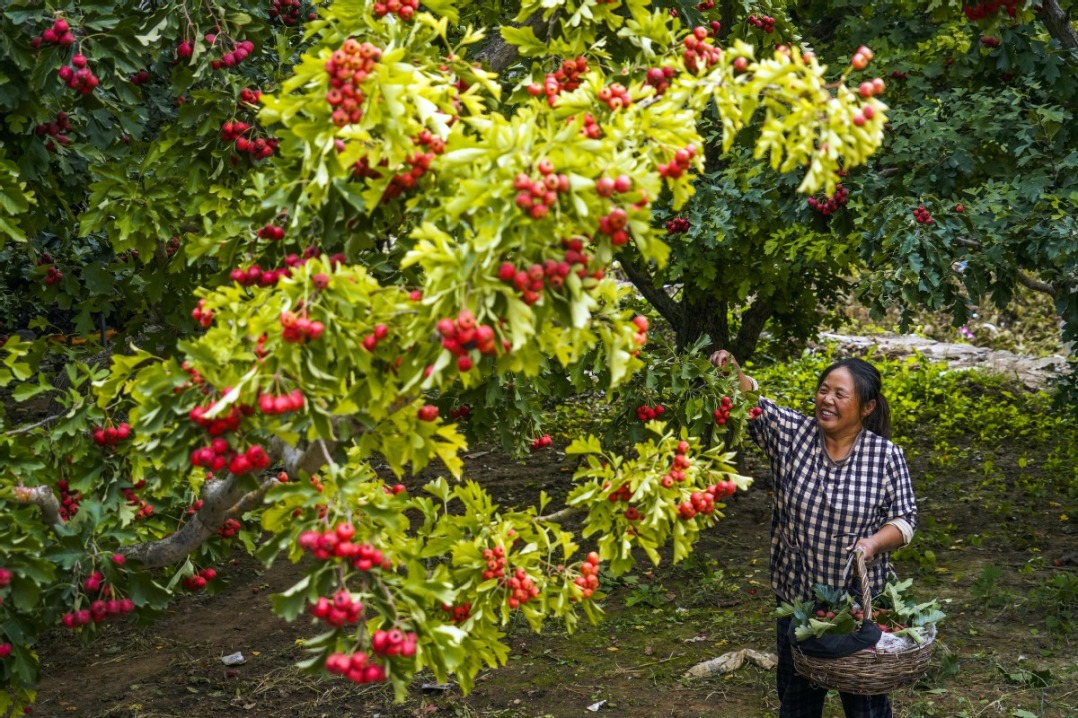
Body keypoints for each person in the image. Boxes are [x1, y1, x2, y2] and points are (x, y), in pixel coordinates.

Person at [709, 351, 917, 718]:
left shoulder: (885, 456)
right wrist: (732, 370)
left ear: (866, 407)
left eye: (840, 394)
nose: (827, 400)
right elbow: (752, 403)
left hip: (857, 608)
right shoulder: (793, 436)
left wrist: (872, 543)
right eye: (824, 390)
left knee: (865, 704)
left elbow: (904, 521)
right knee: (797, 701)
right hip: (798, 598)